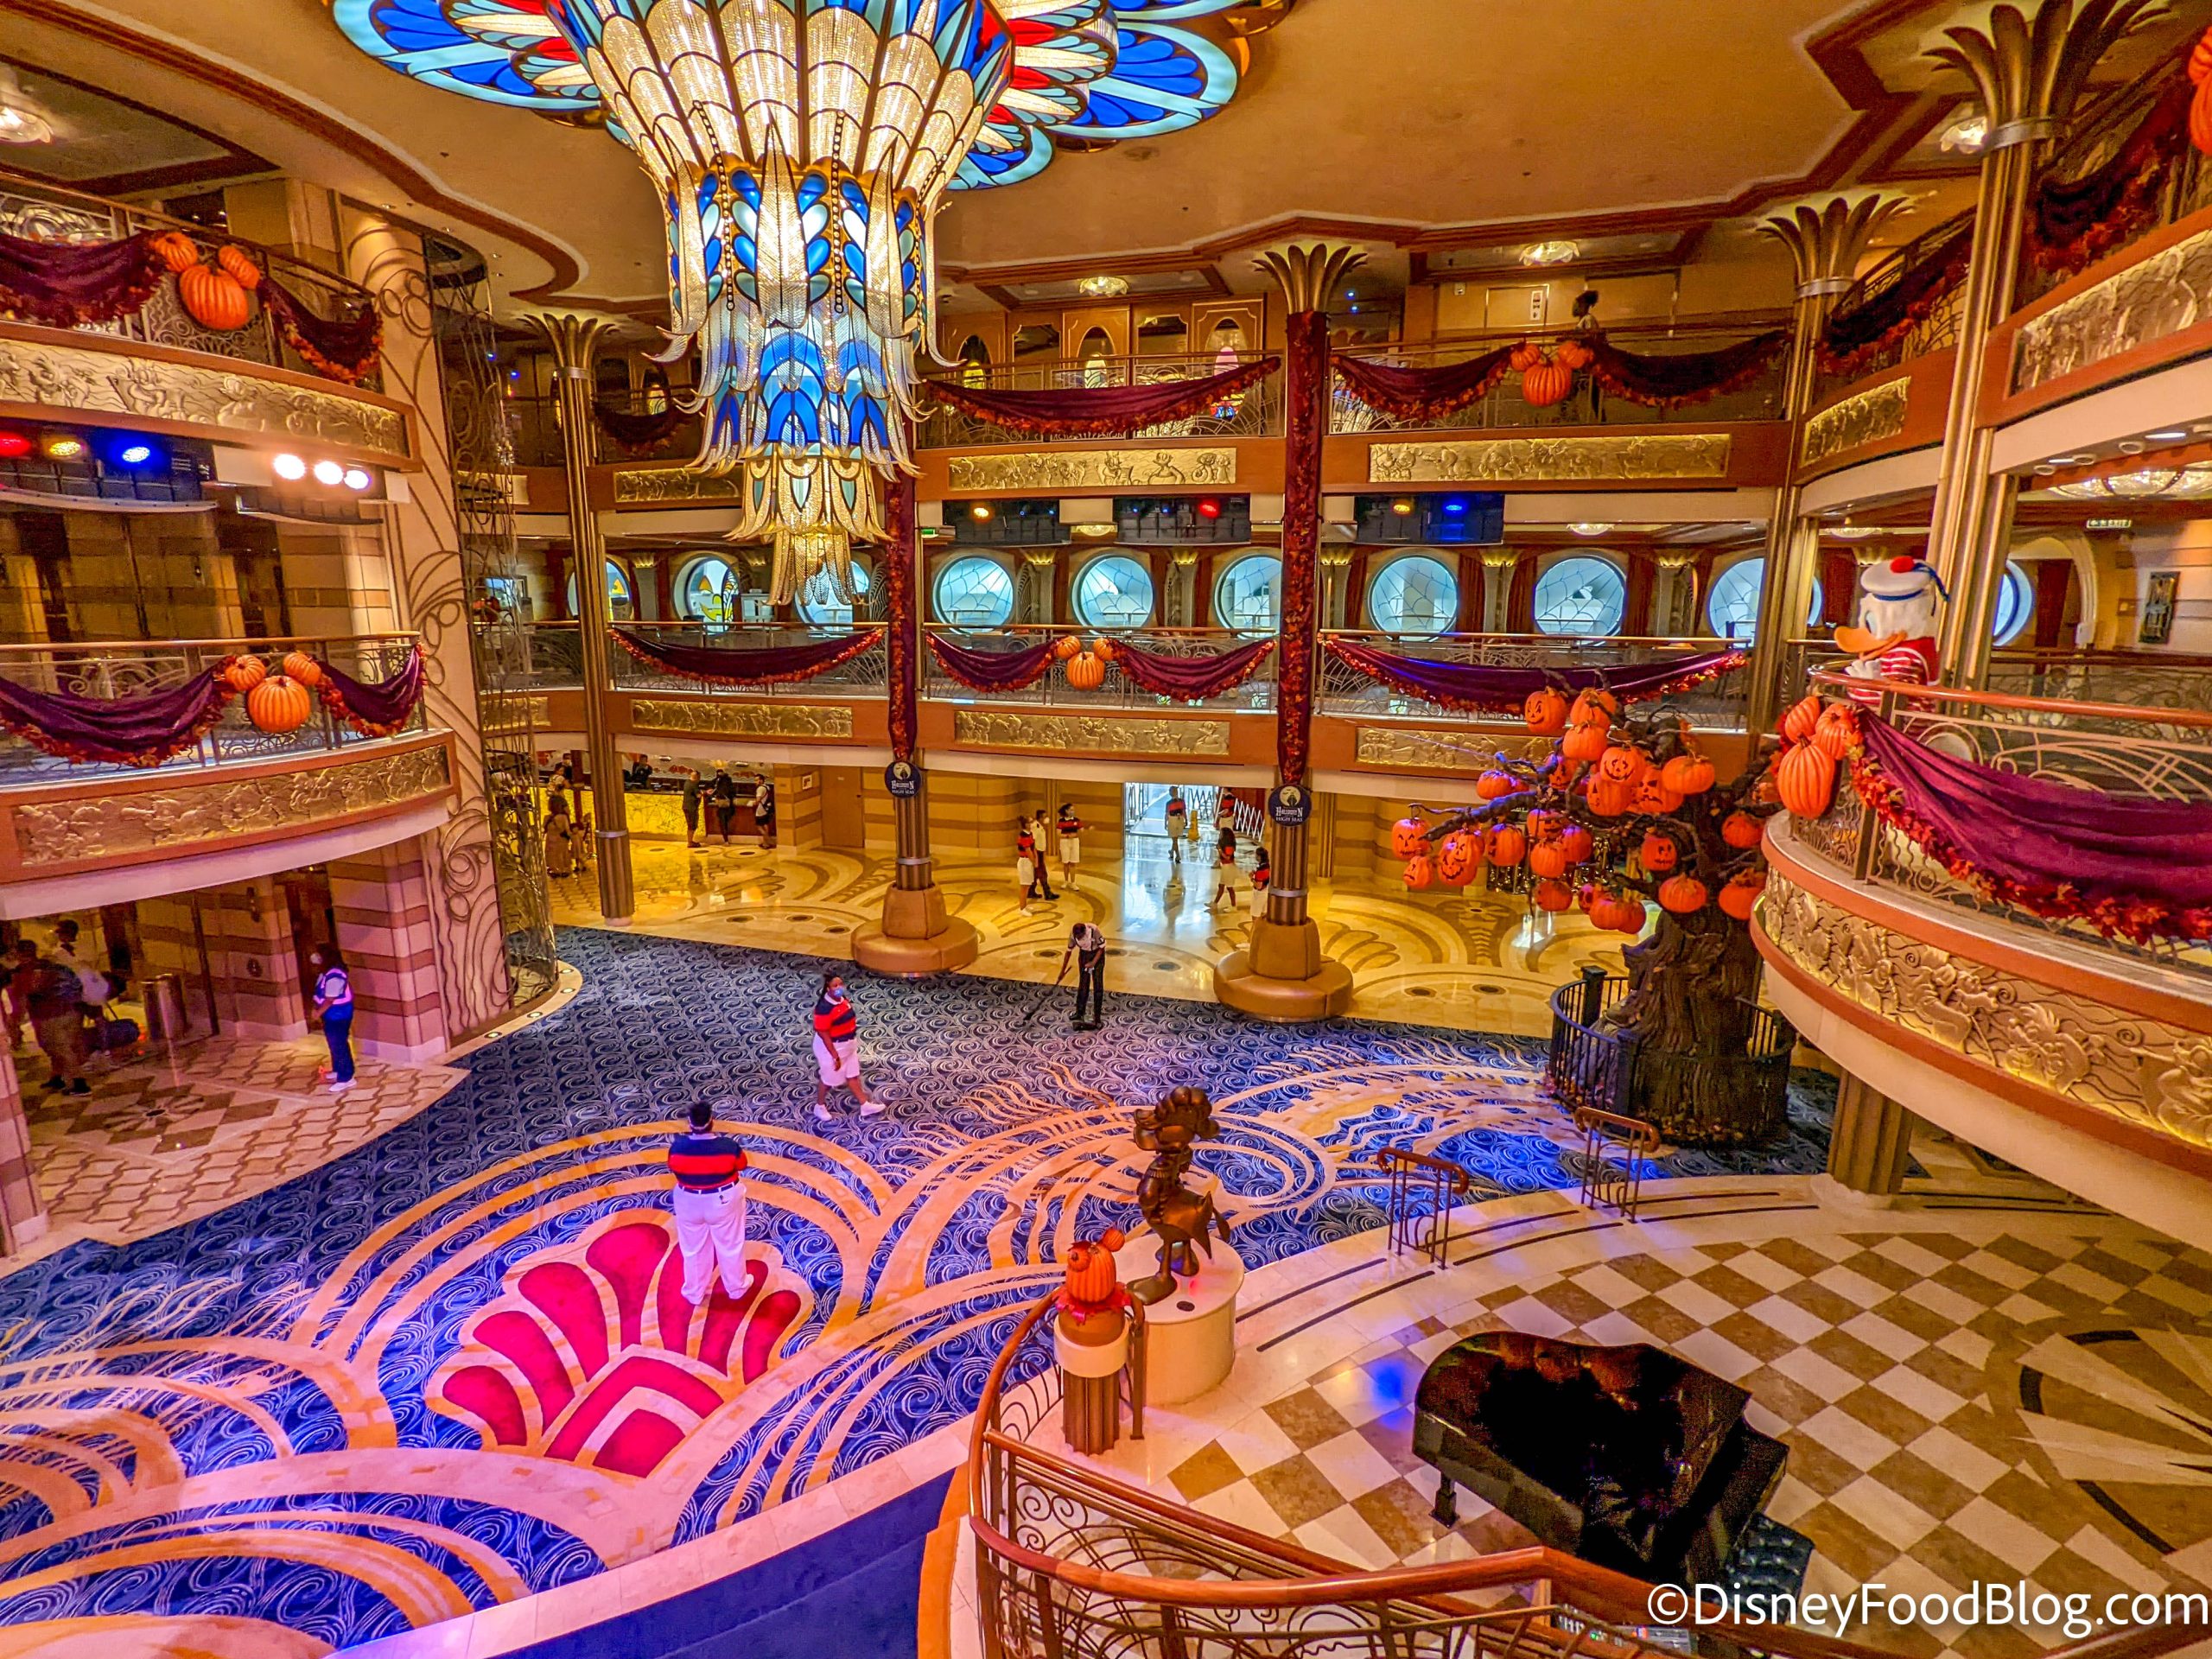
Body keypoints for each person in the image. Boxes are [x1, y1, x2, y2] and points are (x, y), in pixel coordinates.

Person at [668, 1100, 749, 1302]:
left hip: (688, 1200)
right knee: (730, 1245)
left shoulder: (677, 1147)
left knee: (693, 1249)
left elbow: (673, 1167)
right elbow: (742, 1164)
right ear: (712, 1120)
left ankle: (695, 1292)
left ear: (689, 1123)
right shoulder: (728, 1146)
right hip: (722, 1200)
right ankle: (737, 1287)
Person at [18, 940, 86, 1095]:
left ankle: (79, 1084)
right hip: (71, 1011)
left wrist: (16, 1023)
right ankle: (57, 1077)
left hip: (50, 1015)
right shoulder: (50, 965)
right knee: (61, 1048)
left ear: (19, 954)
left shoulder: (27, 971)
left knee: (62, 1049)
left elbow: (27, 995)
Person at [812, 971, 880, 1122]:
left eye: (840, 984)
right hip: (832, 1047)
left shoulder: (842, 1000)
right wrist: (834, 1055)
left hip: (848, 1044)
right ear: (828, 988)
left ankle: (865, 1105)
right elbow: (823, 1033)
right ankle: (819, 1106)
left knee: (852, 1075)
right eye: (835, 986)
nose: (839, 988)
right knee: (828, 1080)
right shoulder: (824, 1008)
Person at [309, 945, 355, 1093]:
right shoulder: (326, 972)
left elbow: (330, 999)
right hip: (331, 1015)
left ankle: (346, 1078)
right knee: (334, 1044)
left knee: (339, 1045)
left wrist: (318, 1013)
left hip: (338, 1015)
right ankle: (338, 1070)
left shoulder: (335, 976)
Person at [1060, 919, 1107, 1031]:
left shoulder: (1094, 930)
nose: (1079, 938)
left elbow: (1102, 948)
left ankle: (1097, 1018)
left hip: (1097, 956)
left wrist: (1093, 963)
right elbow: (1068, 952)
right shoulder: (1073, 935)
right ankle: (1079, 1012)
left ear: (1085, 932)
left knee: (1098, 987)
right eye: (1078, 937)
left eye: (1081, 936)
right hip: (1084, 956)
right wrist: (1062, 971)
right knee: (1083, 985)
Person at [1019, 814, 1056, 901]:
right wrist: (1035, 860)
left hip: (1038, 854)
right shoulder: (1031, 830)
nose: (1032, 823)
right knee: (1041, 873)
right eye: (1030, 822)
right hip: (1032, 856)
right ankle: (1046, 892)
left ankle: (1033, 891)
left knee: (1037, 874)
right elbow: (1029, 848)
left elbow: (1034, 845)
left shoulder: (1032, 831)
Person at [1212, 818, 1241, 911]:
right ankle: (1215, 903)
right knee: (1221, 886)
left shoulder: (1229, 846)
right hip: (1225, 867)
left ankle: (1233, 906)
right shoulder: (1224, 844)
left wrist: (1220, 850)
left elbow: (1228, 857)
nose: (1219, 835)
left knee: (1229, 888)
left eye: (1221, 833)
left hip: (1228, 868)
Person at [1057, 801, 1083, 885]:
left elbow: (1081, 831)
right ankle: (1066, 881)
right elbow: (1058, 833)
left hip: (1075, 842)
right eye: (1071, 810)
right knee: (1066, 862)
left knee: (1073, 862)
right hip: (1065, 842)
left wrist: (1076, 834)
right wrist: (1067, 836)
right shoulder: (1061, 821)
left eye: (1073, 810)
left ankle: (1073, 882)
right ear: (1066, 811)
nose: (1073, 812)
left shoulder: (1077, 820)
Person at [709, 767, 739, 844]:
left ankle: (726, 840)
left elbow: (712, 789)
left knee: (723, 823)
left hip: (721, 806)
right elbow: (733, 792)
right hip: (729, 805)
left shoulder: (717, 781)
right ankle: (726, 840)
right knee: (726, 822)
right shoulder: (728, 781)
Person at [544, 804, 575, 876]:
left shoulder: (547, 817)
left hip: (550, 838)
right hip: (560, 838)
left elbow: (544, 827)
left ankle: (555, 870)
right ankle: (563, 870)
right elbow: (567, 829)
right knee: (561, 854)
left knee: (552, 854)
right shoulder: (563, 817)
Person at [1249, 846, 1273, 922]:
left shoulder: (1261, 870)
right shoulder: (1267, 865)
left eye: (1256, 855)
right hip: (1266, 892)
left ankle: (1256, 929)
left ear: (1259, 857)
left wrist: (1252, 879)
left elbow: (1259, 886)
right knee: (1263, 915)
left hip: (1259, 895)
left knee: (1255, 916)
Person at [1015, 833, 1036, 917]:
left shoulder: (1029, 834)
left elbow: (1033, 848)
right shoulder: (1023, 836)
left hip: (1028, 862)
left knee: (1027, 885)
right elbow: (1028, 851)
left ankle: (1025, 905)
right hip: (1024, 862)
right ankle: (1022, 908)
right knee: (1024, 886)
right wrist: (1034, 861)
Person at [681, 769, 702, 848]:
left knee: (690, 824)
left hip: (686, 806)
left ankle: (690, 841)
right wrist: (704, 793)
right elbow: (698, 796)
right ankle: (690, 842)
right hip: (691, 807)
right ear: (697, 777)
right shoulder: (694, 784)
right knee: (692, 825)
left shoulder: (687, 782)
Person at [1164, 789, 1186, 861]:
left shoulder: (1169, 803)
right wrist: (1186, 820)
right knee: (1175, 839)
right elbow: (1184, 812)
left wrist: (1165, 823)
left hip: (1172, 820)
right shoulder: (1182, 801)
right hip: (1180, 820)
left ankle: (1178, 855)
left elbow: (1167, 814)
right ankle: (1171, 851)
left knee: (1174, 840)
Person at [755, 779, 777, 850]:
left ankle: (769, 841)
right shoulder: (767, 787)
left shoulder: (760, 789)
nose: (755, 782)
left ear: (761, 780)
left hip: (760, 810)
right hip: (766, 809)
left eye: (757, 780)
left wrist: (753, 803)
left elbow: (758, 800)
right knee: (765, 825)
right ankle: (765, 843)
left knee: (759, 826)